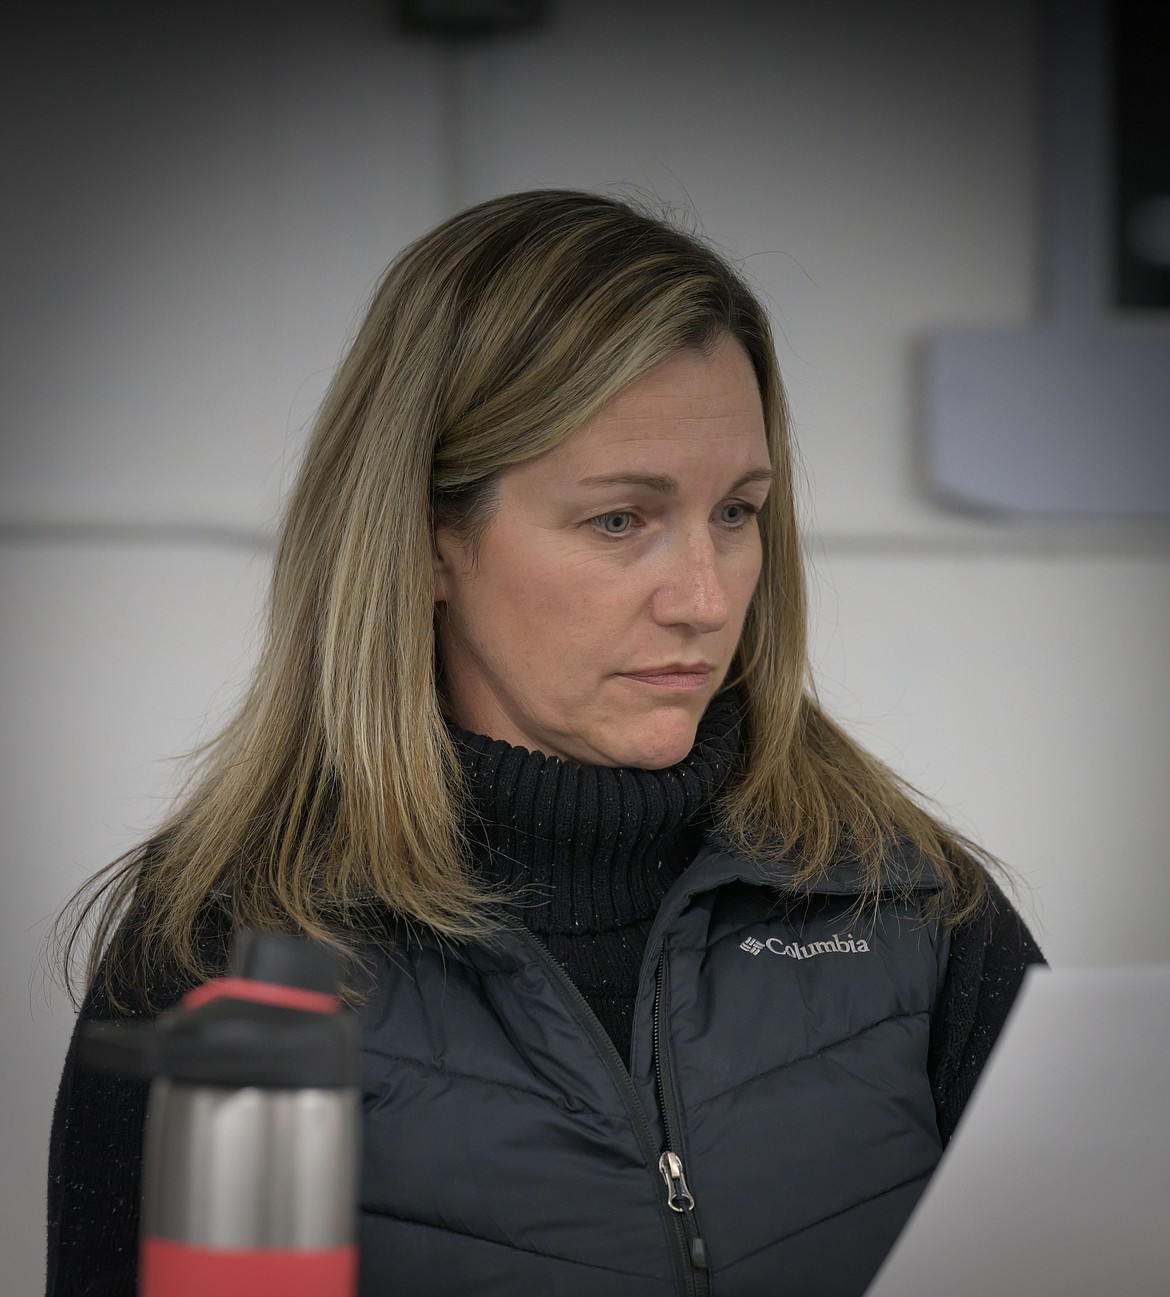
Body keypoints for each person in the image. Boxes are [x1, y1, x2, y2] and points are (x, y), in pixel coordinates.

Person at [47, 188, 1044, 1297]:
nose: (707, 600)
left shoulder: (915, 905)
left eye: (736, 511)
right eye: (620, 519)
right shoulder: (219, 945)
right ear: (427, 541)